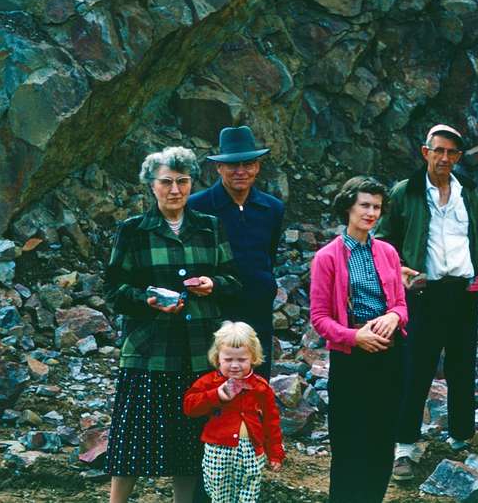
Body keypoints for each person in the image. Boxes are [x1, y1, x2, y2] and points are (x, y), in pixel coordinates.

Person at [104, 146, 242, 503]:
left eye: (182, 181)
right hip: (149, 352)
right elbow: (113, 289)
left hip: (199, 352)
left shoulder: (210, 228)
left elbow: (233, 280)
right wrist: (144, 300)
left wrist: (214, 285)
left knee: (189, 445)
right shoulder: (133, 231)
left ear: (192, 184)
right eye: (166, 182)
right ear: (151, 185)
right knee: (132, 442)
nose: (175, 190)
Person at [378, 125, 478, 481]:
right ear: (424, 151)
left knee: (462, 367)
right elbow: (384, 240)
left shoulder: (467, 191)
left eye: (452, 153)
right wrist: (398, 269)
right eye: (439, 151)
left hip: (464, 291)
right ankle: (404, 448)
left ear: (459, 157)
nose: (444, 158)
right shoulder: (406, 192)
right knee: (416, 369)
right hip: (422, 293)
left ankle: (461, 437)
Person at [309, 176, 408, 503]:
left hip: (389, 353)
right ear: (348, 206)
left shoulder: (388, 252)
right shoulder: (327, 257)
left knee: (381, 439)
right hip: (350, 357)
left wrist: (394, 316)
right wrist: (354, 337)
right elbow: (319, 317)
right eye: (364, 205)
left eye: (377, 207)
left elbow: (401, 304)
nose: (371, 213)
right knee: (350, 440)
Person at [189, 126, 284, 380]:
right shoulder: (197, 206)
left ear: (258, 167)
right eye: (232, 165)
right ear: (219, 168)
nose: (240, 171)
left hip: (258, 307)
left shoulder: (272, 208)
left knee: (256, 378)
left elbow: (269, 254)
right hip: (215, 308)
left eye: (248, 163)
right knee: (213, 380)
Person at [183, 320, 285, 503]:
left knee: (249, 494)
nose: (235, 365)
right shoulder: (209, 382)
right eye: (228, 360)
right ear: (217, 359)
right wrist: (216, 395)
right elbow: (189, 407)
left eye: (242, 359)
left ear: (253, 357)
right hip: (218, 450)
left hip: (252, 451)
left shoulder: (260, 387)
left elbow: (272, 421)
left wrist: (275, 453)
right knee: (219, 496)